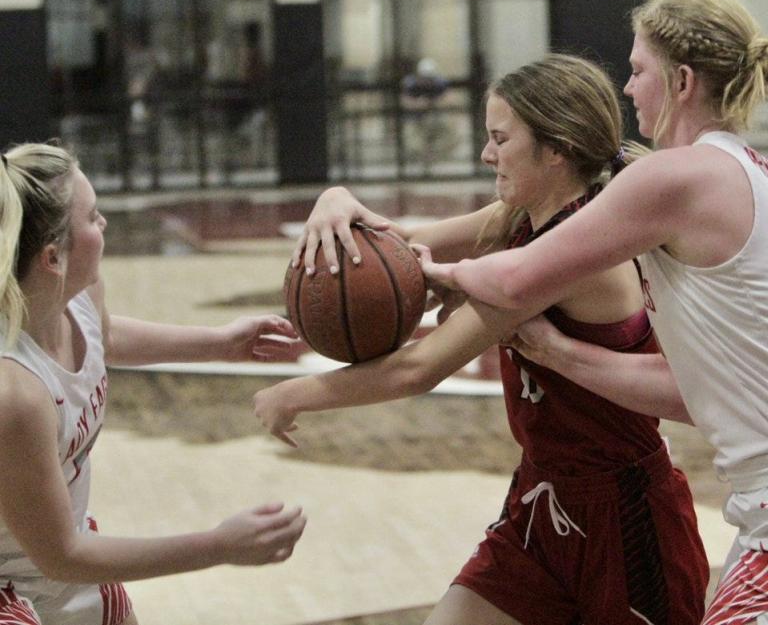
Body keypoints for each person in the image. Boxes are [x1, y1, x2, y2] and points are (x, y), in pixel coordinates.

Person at [420, 0, 768, 624]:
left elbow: (519, 276)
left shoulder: (678, 177)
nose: (628, 89)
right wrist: (559, 352)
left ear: (682, 80)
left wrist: (430, 274)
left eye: (637, 70)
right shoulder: (741, 171)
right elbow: (695, 391)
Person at [257, 54, 709, 625]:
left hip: (624, 519)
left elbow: (415, 370)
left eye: (500, 138)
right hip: (542, 499)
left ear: (555, 148)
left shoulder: (568, 253)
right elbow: (401, 250)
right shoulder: (520, 214)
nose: (486, 154)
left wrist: (293, 393)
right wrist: (336, 200)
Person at [0, 142, 307, 625]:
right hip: (15, 585)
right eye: (93, 216)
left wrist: (220, 342)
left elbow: (107, 337)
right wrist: (220, 546)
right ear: (53, 257)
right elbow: (60, 554)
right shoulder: (15, 391)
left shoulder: (75, 294)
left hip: (65, 564)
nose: (104, 225)